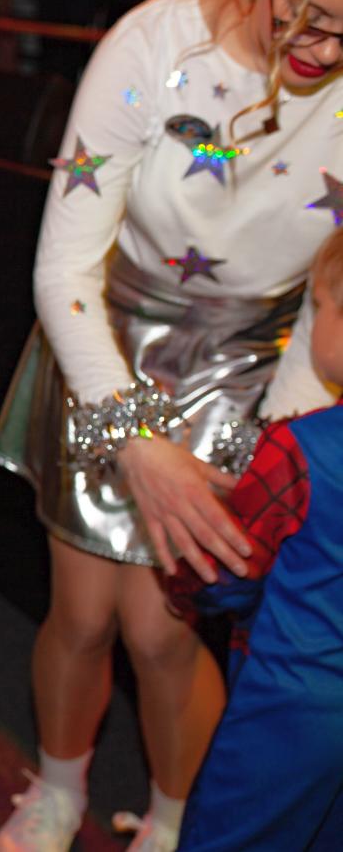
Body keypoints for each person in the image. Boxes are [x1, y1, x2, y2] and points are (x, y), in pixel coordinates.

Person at [0, 0, 343, 848]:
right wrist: (134, 432)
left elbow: (329, 297)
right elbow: (65, 264)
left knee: (161, 631)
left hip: (248, 364)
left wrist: (283, 444)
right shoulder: (152, 43)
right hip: (105, 341)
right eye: (311, 19)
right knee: (82, 613)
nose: (325, 53)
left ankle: (180, 819)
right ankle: (59, 787)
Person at [165, 228, 343, 850]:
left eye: (319, 308)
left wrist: (179, 580)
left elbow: (228, 567)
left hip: (290, 707)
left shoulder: (299, 448)